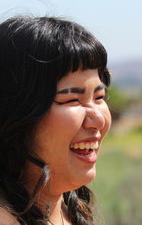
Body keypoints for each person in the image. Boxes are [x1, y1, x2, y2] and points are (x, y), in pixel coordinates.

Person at [0, 16, 111, 224]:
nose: (97, 119)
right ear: (17, 113)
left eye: (99, 97)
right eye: (71, 100)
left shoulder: (69, 210)